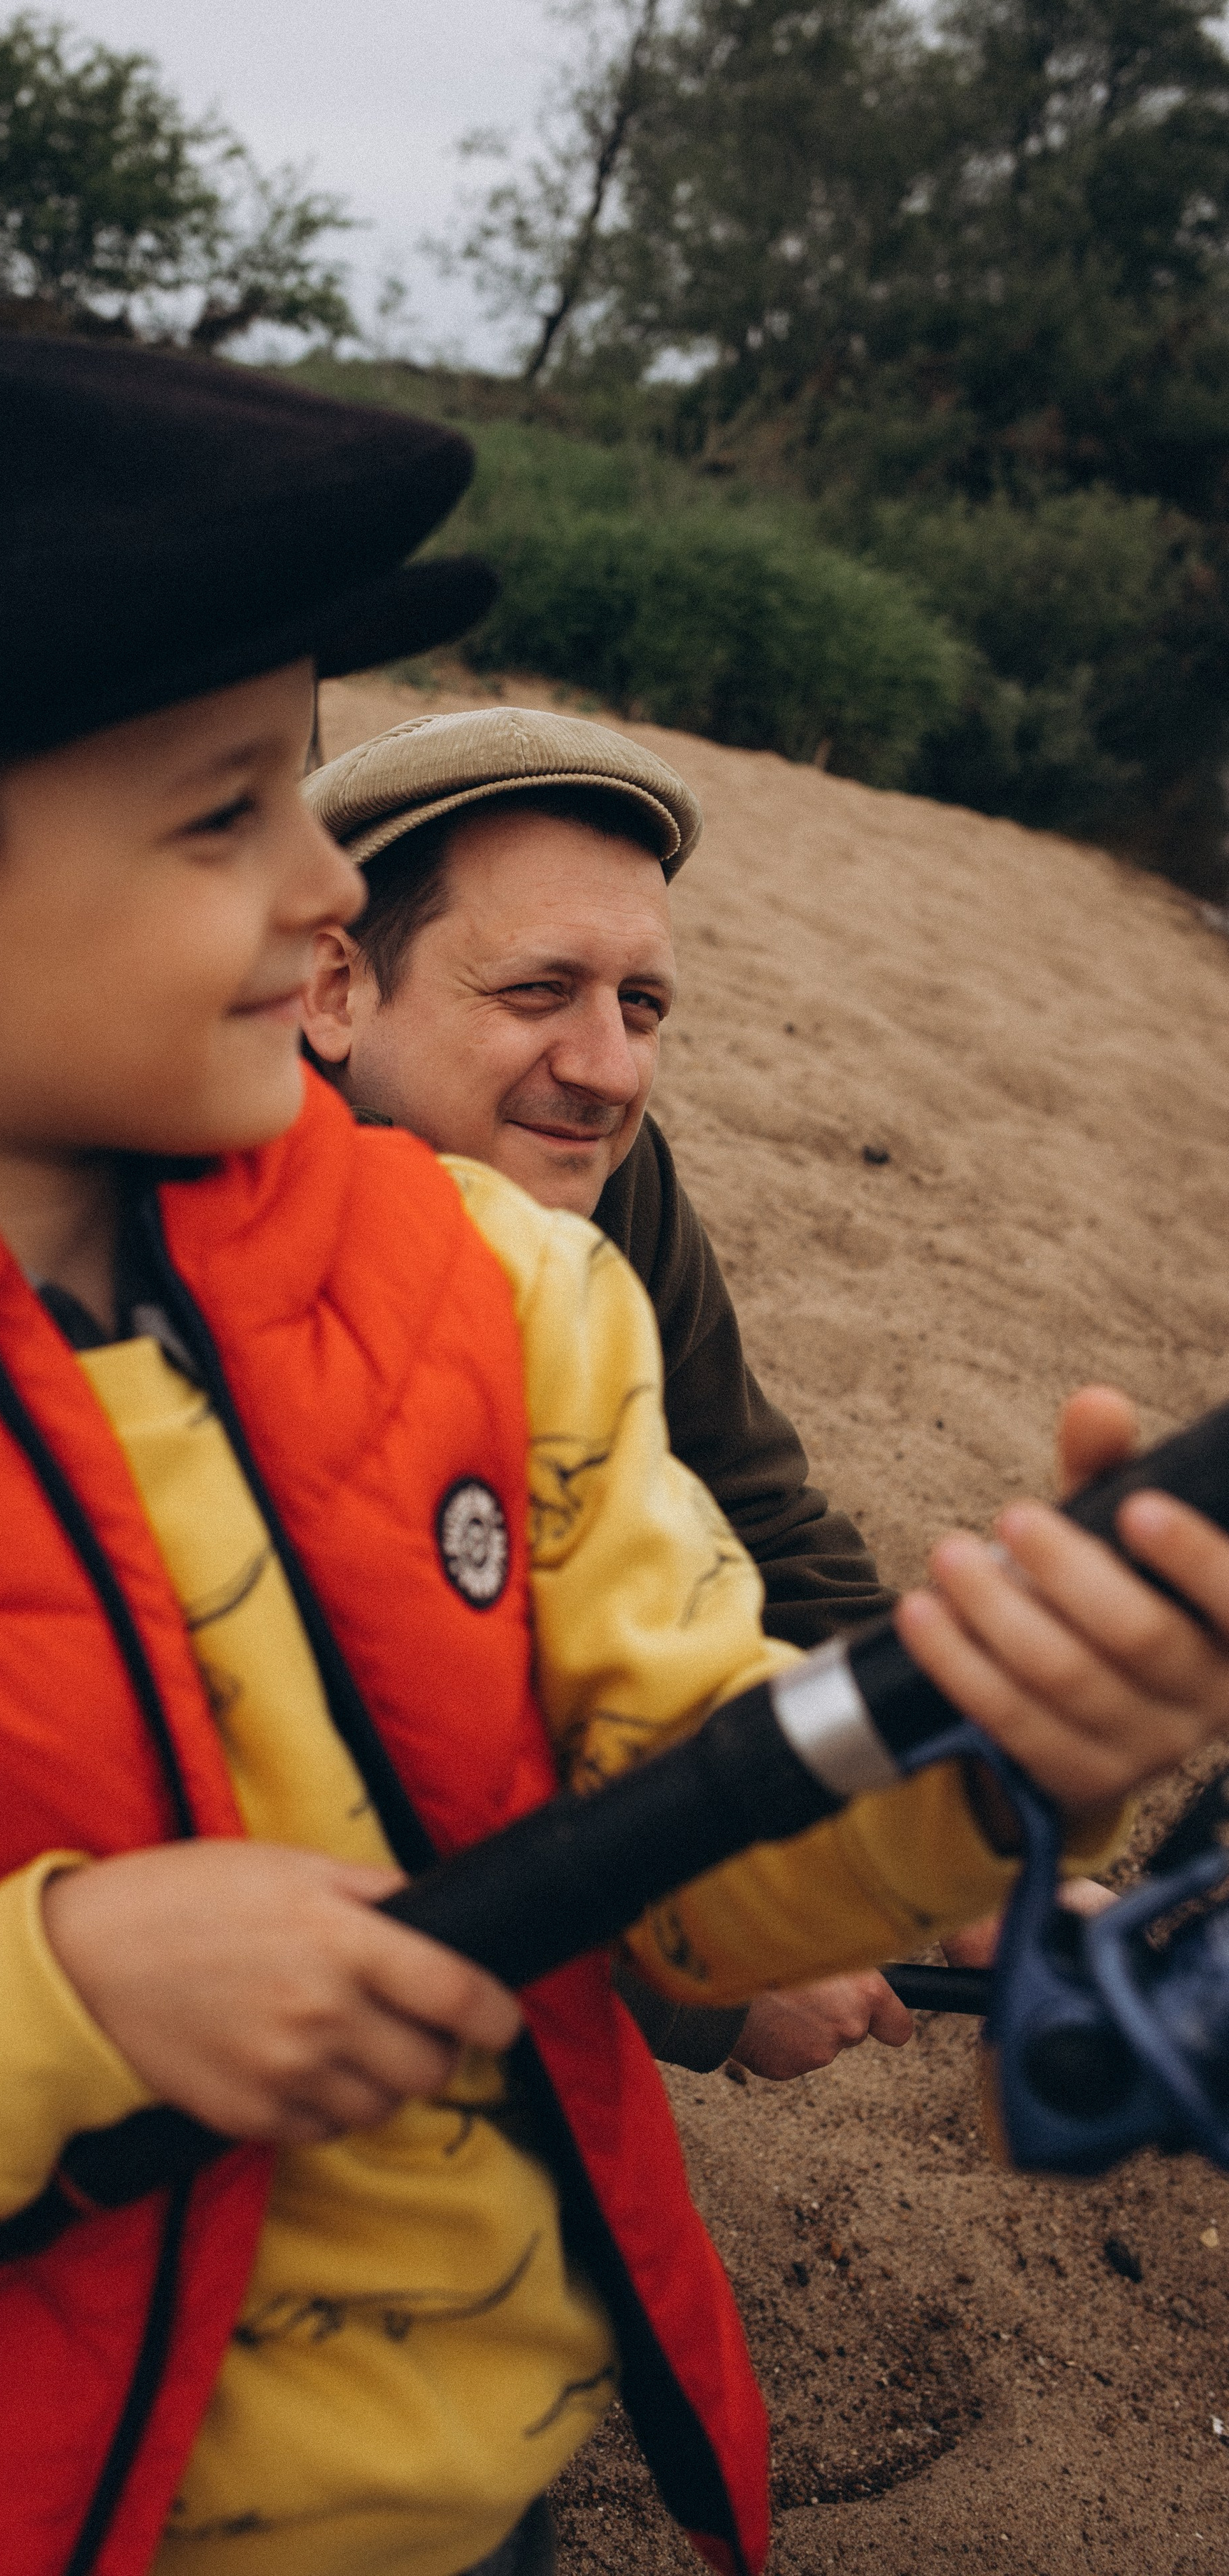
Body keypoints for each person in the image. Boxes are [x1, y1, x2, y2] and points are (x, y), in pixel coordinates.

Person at [0, 318, 1229, 2576]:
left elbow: (684, 1884)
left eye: (303, 784)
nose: (319, 894)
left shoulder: (517, 1294)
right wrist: (64, 1998)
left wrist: (1001, 1754)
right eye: (225, 813)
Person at [301, 707, 929, 2081]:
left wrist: (964, 1805)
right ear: (333, 990)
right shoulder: (222, 1237)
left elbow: (752, 1501)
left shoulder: (588, 1163)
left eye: (640, 1005)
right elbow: (356, 1759)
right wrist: (691, 1985)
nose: (610, 1069)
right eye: (539, 991)